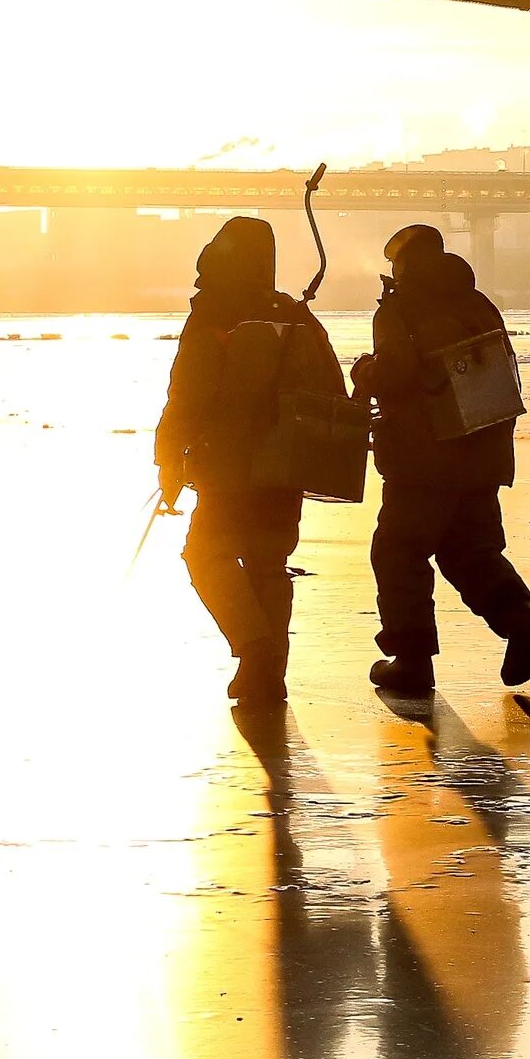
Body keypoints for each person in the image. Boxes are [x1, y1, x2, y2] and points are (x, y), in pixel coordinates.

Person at [353, 224, 530, 697]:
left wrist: (366, 372)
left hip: (423, 460)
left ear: (402, 264)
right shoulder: (478, 304)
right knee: (471, 552)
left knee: (398, 553)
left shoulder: (401, 308)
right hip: (482, 454)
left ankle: (412, 660)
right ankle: (521, 620)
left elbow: (397, 372)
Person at [155, 216, 330, 705]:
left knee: (205, 555)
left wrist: (168, 462)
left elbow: (185, 397)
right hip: (286, 467)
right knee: (270, 564)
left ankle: (254, 651)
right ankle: (267, 672)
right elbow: (328, 391)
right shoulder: (296, 316)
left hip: (226, 468)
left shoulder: (213, 314)